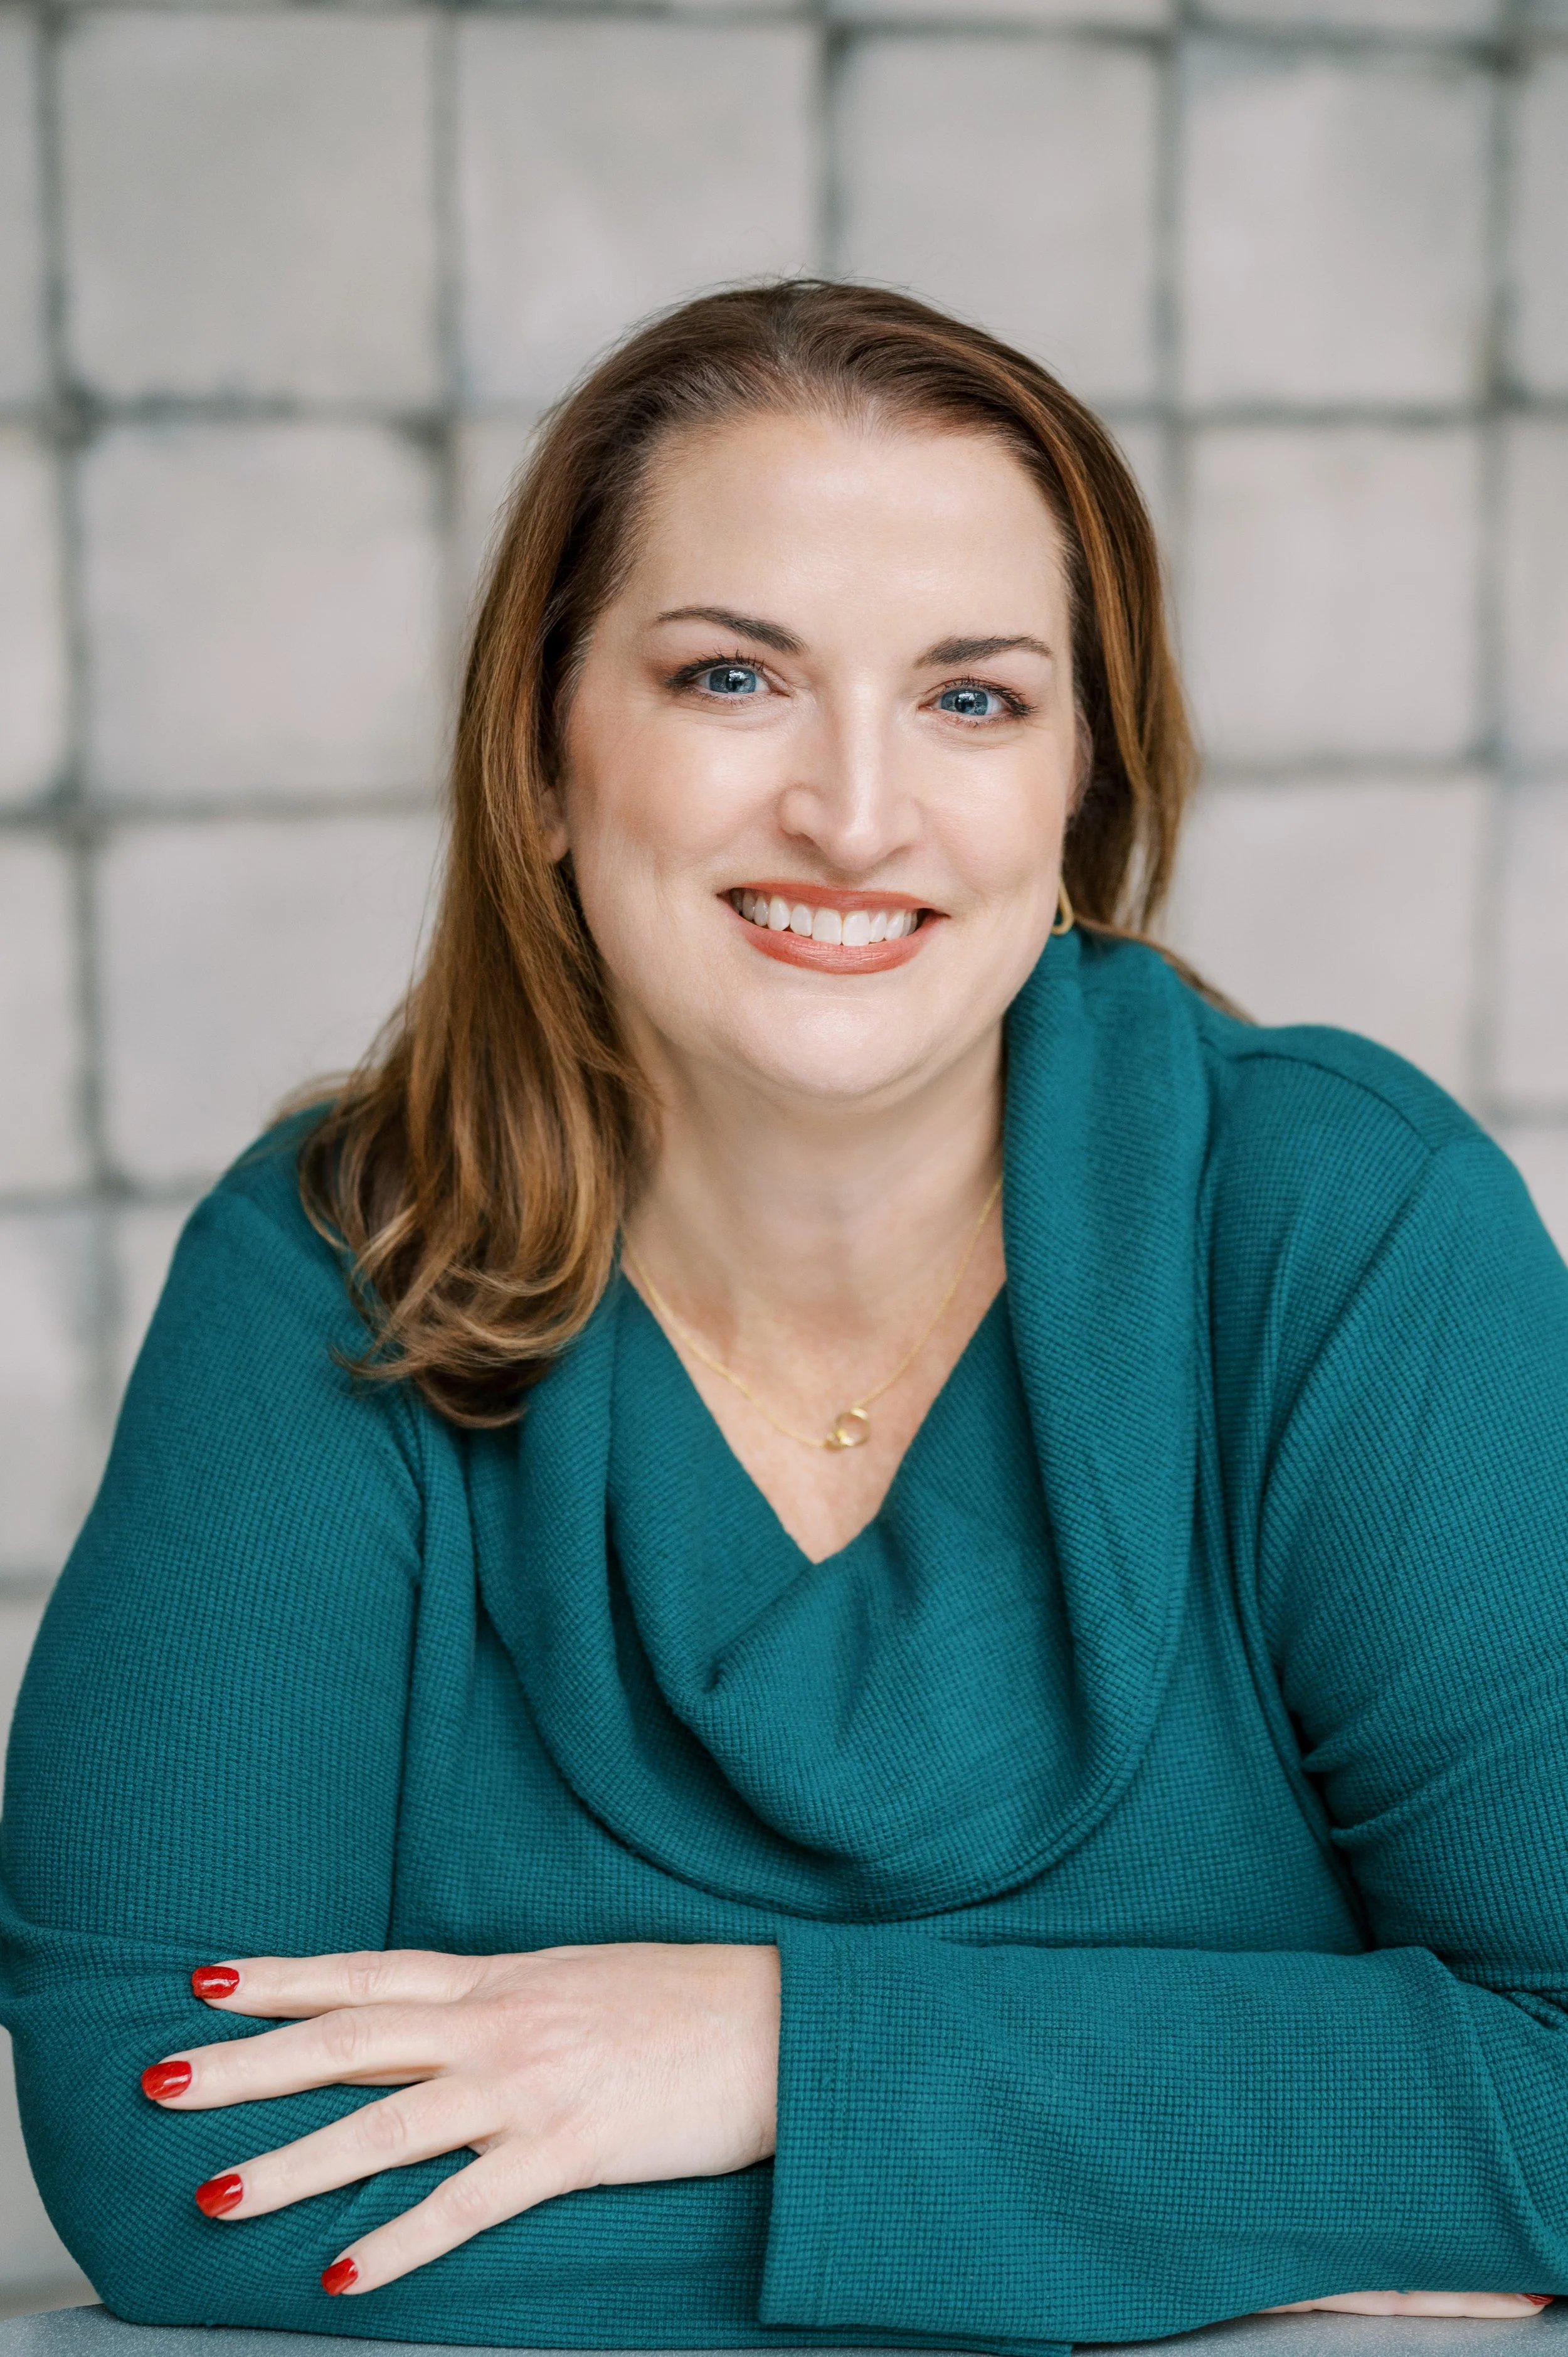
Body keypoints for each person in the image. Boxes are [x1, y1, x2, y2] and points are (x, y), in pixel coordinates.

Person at [3, 279, 1566, 2352]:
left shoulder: (1339, 1232)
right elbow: (170, 2144)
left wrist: (766, 2048)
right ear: (542, 757)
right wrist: (1239, 2180)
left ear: (1079, 786)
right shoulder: (338, 1263)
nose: (852, 811)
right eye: (731, 677)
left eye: (971, 699)